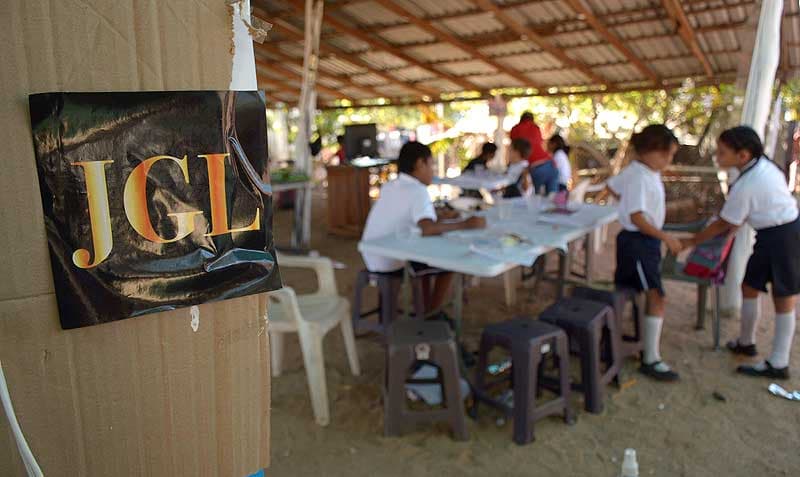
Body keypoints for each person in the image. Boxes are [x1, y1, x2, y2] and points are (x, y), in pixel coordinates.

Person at [684, 126, 799, 379]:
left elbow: (724, 223)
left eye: (722, 153)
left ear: (743, 155)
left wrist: (690, 242)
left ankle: (778, 363)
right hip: (772, 234)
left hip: (784, 236)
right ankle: (746, 342)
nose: (717, 157)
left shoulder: (747, 183)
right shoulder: (761, 166)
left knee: (784, 297)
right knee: (750, 286)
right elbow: (737, 218)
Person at [361, 141, 486, 312]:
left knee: (426, 261)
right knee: (448, 264)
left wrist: (439, 215)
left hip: (372, 254)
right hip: (391, 259)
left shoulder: (391, 186)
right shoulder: (418, 190)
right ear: (420, 164)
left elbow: (407, 214)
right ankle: (430, 313)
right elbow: (427, 229)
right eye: (431, 165)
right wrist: (466, 224)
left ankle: (422, 308)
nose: (432, 171)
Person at [606, 124, 683, 382]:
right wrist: (665, 237)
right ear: (649, 151)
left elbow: (614, 187)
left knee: (635, 291)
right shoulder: (640, 175)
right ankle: (650, 358)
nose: (669, 160)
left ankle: (623, 343)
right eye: (666, 155)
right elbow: (637, 217)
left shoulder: (642, 171)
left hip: (640, 241)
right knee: (656, 294)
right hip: (639, 242)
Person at [509, 111, 559, 195]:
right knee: (552, 199)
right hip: (551, 165)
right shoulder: (536, 128)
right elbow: (540, 145)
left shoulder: (516, 129)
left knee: (533, 198)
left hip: (535, 168)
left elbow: (515, 148)